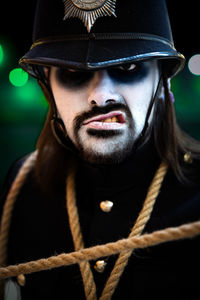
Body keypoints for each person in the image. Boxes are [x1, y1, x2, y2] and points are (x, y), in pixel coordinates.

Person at [0, 0, 200, 299]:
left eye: (127, 67)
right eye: (72, 72)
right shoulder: (21, 185)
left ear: (162, 82)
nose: (101, 97)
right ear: (47, 88)